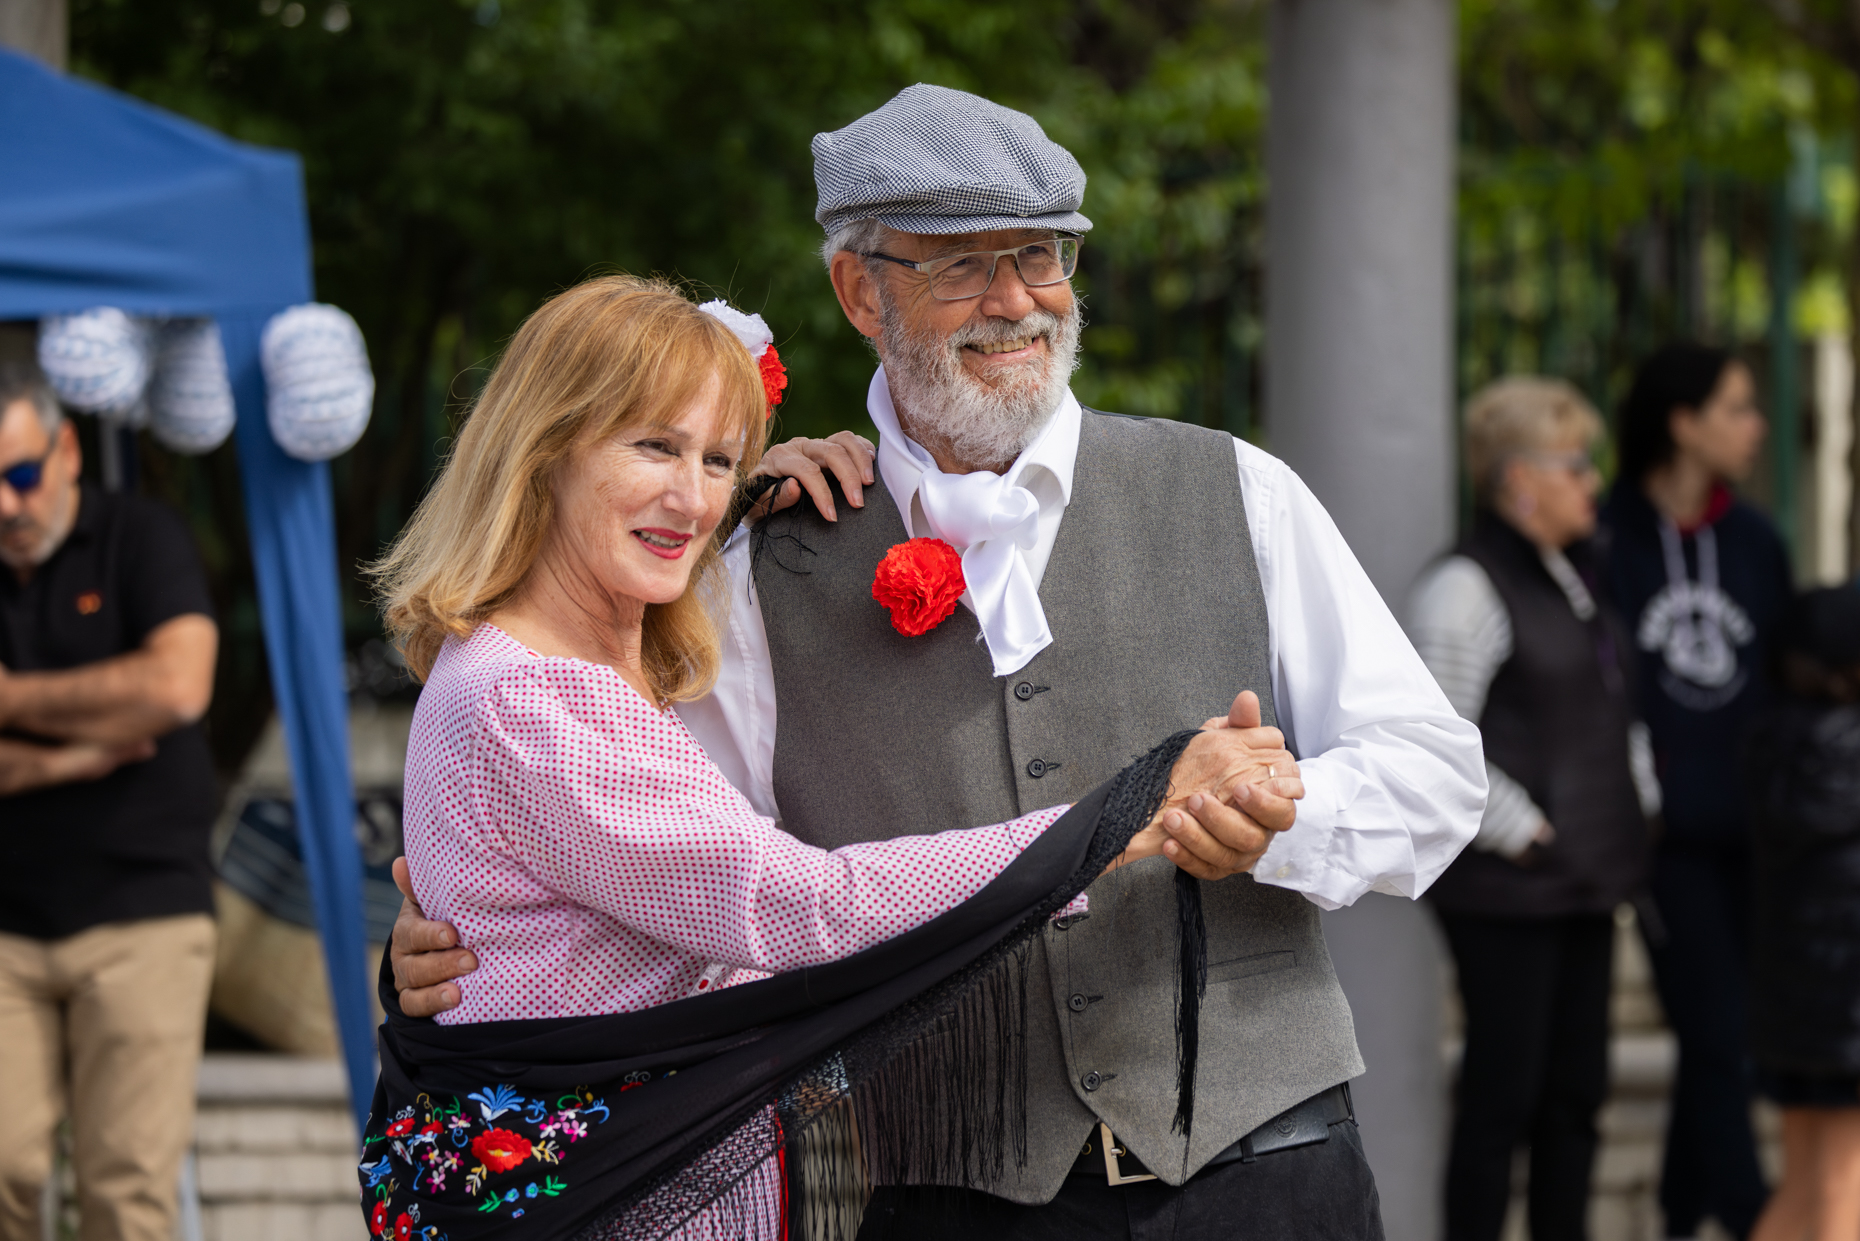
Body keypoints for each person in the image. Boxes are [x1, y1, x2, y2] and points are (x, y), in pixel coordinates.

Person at [392, 85, 1487, 1240]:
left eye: (1041, 254)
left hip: (1272, 1181)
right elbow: (677, 895)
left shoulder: (1240, 489)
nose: (1015, 299)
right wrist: (457, 962)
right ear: (859, 289)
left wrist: (1286, 815)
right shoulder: (751, 571)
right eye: (961, 264)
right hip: (949, 1201)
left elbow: (1437, 773)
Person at [359, 275, 1299, 1240]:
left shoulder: (589, 668)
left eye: (720, 458)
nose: (692, 497)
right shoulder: (531, 698)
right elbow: (793, 906)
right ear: (545, 447)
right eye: (653, 446)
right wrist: (1124, 813)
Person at [1409, 378, 1658, 1241]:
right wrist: (1528, 833)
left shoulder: (1571, 576)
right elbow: (1438, 735)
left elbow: (1608, 707)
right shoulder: (1463, 589)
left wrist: (1635, 805)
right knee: (1502, 1101)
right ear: (1521, 479)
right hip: (1510, 891)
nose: (1594, 483)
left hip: (1584, 882)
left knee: (1575, 1098)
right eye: (1576, 465)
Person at [0, 361, 220, 1241]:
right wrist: (85, 751)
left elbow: (177, 686)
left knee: (125, 1189)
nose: (6, 505)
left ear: (65, 451)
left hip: (142, 914)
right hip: (8, 924)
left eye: (19, 475)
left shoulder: (142, 535)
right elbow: (144, 700)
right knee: (5, 1169)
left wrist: (13, 706)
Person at [1600, 343, 1793, 1241]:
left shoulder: (1755, 543)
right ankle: (1756, 1217)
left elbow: (1787, 683)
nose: (1757, 427)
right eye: (1738, 408)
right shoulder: (1608, 539)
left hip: (1756, 835)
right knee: (1718, 1035)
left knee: (1728, 1039)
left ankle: (1679, 1216)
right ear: (1684, 422)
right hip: (1663, 839)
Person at [1746, 585, 1860, 1241]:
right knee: (1842, 1187)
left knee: (1804, 1184)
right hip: (1847, 1013)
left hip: (1792, 1014)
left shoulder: (1770, 737)